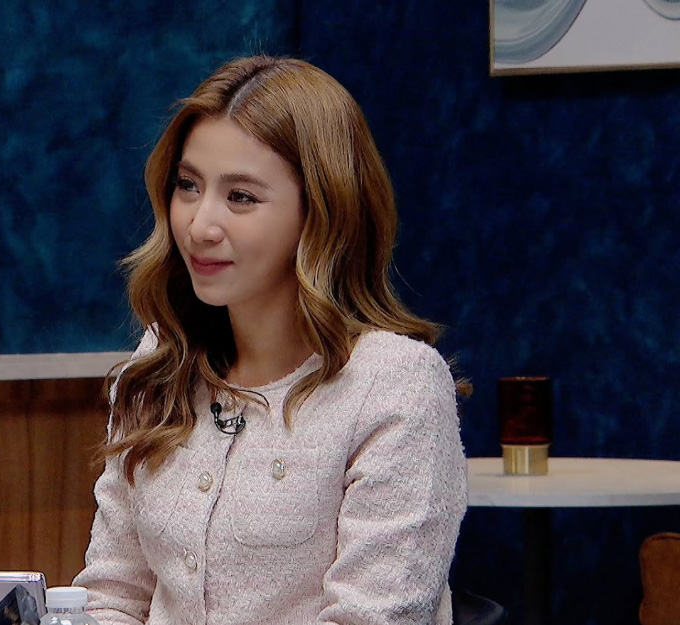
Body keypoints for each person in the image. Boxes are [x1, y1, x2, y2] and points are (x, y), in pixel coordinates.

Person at [73, 55, 468, 625]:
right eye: (188, 186)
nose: (199, 225)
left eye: (241, 197)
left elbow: (372, 618)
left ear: (322, 212)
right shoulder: (161, 361)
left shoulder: (395, 383)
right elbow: (113, 596)